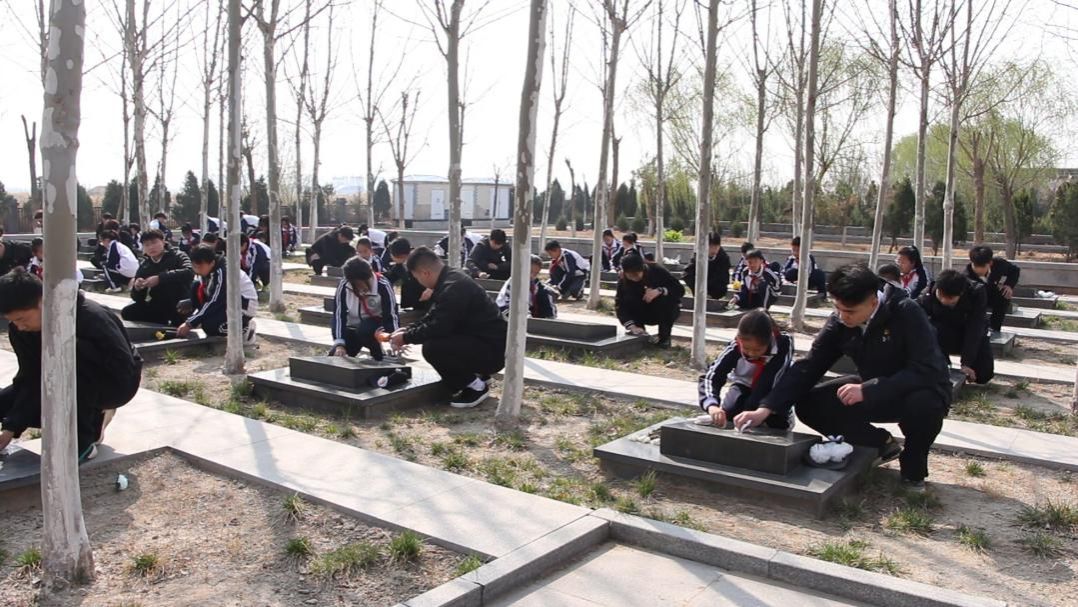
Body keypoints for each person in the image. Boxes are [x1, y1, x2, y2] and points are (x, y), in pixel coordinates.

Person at [755, 264, 952, 489]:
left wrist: (869, 389)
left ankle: (913, 470)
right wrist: (767, 406)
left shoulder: (906, 312)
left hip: (916, 389)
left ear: (873, 303)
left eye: (850, 311)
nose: (843, 317)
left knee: (926, 405)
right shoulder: (840, 321)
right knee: (810, 404)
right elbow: (810, 365)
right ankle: (880, 443)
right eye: (838, 308)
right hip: (871, 388)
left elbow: (927, 369)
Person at [0, 269, 142, 462]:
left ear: (42, 301)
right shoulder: (20, 331)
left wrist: (70, 347)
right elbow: (30, 376)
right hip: (59, 381)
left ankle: (84, 440)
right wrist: (11, 425)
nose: (19, 326)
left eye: (21, 319)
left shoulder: (91, 316)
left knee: (67, 370)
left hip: (113, 383)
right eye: (12, 321)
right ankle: (92, 417)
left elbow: (122, 367)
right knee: (9, 401)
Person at [389, 247, 507, 408]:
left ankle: (476, 387)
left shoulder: (453, 287)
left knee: (433, 348)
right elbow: (433, 316)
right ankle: (475, 377)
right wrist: (408, 330)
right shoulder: (450, 279)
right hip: (483, 341)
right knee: (438, 341)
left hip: (492, 351)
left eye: (416, 277)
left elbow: (438, 327)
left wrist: (406, 338)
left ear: (425, 273)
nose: (418, 282)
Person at [699, 310, 794, 429]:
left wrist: (757, 410)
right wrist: (712, 405)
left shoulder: (783, 343)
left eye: (758, 350)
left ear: (769, 340)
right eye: (746, 349)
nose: (752, 354)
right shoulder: (735, 347)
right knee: (731, 411)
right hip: (744, 384)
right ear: (739, 340)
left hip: (774, 388)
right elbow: (711, 376)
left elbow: (772, 377)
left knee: (774, 421)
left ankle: (785, 416)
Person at [919, 269, 994, 385]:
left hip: (967, 333)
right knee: (930, 328)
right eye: (941, 296)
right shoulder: (927, 294)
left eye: (950, 298)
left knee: (983, 374)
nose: (944, 301)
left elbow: (975, 328)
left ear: (961, 293)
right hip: (942, 334)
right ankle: (943, 361)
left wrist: (966, 363)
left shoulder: (976, 293)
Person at [176, 246, 258, 343]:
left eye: (200, 266)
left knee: (211, 327)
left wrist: (190, 323)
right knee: (196, 285)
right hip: (224, 303)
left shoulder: (223, 273)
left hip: (242, 307)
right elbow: (207, 295)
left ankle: (244, 327)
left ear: (212, 263)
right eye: (194, 266)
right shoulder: (207, 272)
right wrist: (191, 303)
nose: (197, 270)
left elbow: (215, 300)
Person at [121, 229, 194, 327]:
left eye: (154, 242)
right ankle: (161, 322)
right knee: (127, 312)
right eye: (147, 245)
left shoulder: (178, 255)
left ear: (163, 241)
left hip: (179, 303)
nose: (151, 247)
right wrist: (137, 288)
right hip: (158, 304)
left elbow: (189, 272)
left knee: (177, 320)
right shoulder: (145, 265)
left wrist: (160, 278)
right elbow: (138, 298)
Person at [331, 257, 399, 361]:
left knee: (365, 329)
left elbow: (391, 315)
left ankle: (379, 354)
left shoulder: (383, 284)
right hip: (352, 328)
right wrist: (339, 344)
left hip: (375, 328)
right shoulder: (344, 285)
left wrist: (394, 339)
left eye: (366, 281)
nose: (362, 287)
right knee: (335, 357)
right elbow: (338, 315)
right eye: (357, 284)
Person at [615, 253, 684, 348]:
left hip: (661, 310)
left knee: (667, 300)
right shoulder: (623, 281)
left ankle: (664, 338)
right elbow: (620, 305)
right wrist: (632, 326)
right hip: (640, 312)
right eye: (630, 276)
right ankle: (640, 334)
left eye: (637, 275)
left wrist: (659, 291)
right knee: (630, 300)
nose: (634, 278)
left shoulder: (657, 270)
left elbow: (679, 289)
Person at [965, 245, 1020, 335]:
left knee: (1004, 295)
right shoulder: (966, 276)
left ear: (990, 263)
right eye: (976, 266)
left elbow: (1015, 270)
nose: (979, 270)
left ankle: (994, 327)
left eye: (983, 266)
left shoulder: (999, 264)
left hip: (990, 292)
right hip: (974, 299)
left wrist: (1009, 285)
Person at [496, 255, 557, 319]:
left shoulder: (532, 282)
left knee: (545, 294)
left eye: (536, 273)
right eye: (530, 271)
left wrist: (550, 291)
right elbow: (510, 304)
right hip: (507, 312)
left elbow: (541, 288)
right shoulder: (514, 281)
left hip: (527, 310)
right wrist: (527, 317)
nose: (532, 276)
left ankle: (549, 319)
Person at [384, 237, 432, 312]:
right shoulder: (399, 266)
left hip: (427, 302)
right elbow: (390, 278)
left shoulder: (420, 260)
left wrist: (430, 289)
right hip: (413, 304)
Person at [683, 232, 731, 300]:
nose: (713, 250)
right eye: (711, 246)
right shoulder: (698, 255)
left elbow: (723, 279)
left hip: (716, 293)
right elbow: (687, 274)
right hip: (699, 292)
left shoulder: (724, 258)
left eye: (716, 247)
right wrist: (698, 289)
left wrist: (710, 293)